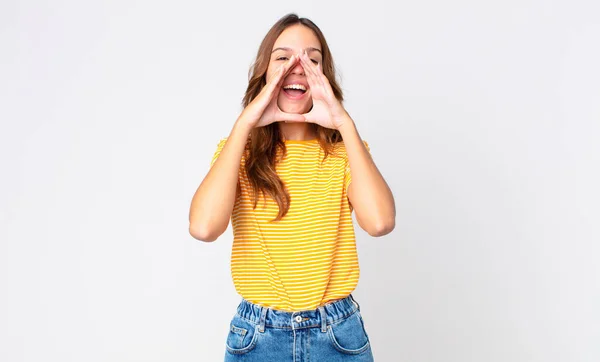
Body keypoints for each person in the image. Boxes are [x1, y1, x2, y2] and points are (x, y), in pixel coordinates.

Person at [189, 13, 395, 361]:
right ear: (265, 73)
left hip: (338, 335)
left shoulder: (346, 153)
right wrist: (245, 124)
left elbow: (380, 223)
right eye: (283, 57)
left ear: (324, 78)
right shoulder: (238, 153)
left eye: (311, 60)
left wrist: (344, 123)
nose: (296, 67)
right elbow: (204, 227)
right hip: (258, 337)